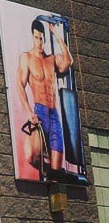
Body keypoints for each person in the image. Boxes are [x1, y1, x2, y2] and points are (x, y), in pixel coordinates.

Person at [17, 18, 73, 176]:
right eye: (37, 38)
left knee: (56, 169)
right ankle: (49, 173)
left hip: (54, 114)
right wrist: (29, 112)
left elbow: (68, 61)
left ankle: (53, 174)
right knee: (31, 157)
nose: (39, 42)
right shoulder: (27, 58)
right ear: (32, 37)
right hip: (39, 112)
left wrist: (55, 33)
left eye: (42, 38)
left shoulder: (52, 59)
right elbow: (20, 86)